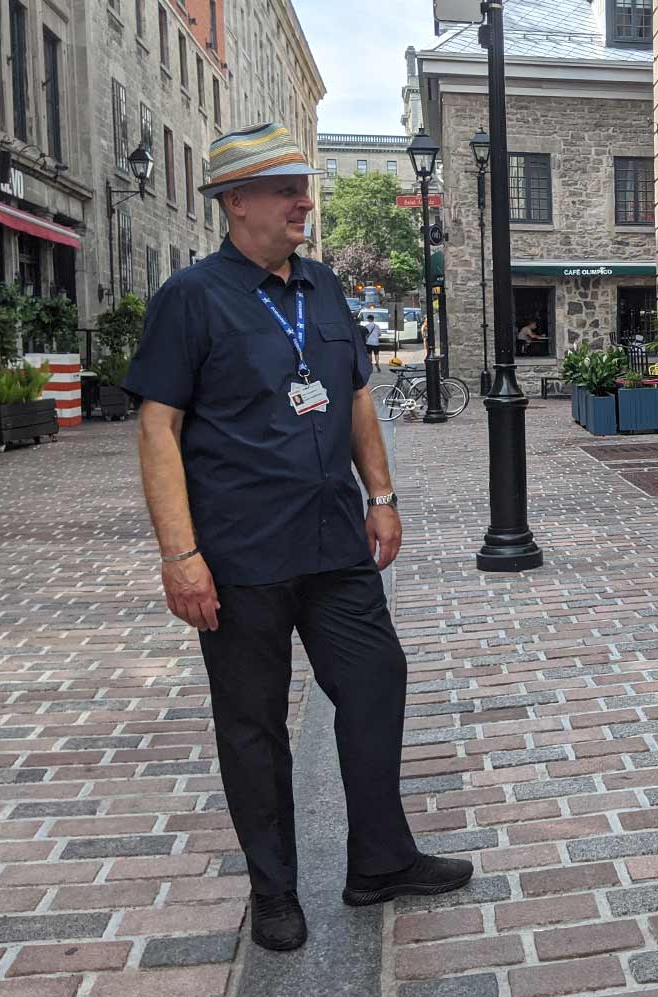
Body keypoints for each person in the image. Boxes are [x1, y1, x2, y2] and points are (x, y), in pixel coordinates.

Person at [123, 122, 473, 954]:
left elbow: (353, 396)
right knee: (252, 724)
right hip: (238, 554)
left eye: (303, 187)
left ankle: (379, 861)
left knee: (377, 681)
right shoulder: (191, 297)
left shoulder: (321, 286)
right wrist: (180, 554)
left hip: (332, 542)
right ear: (235, 202)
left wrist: (381, 495)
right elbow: (157, 429)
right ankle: (273, 887)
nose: (303, 202)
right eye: (287, 190)